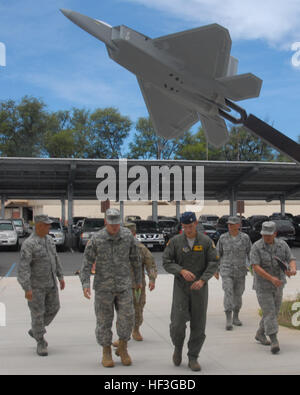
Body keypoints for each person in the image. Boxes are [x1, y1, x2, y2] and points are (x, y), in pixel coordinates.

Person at [80, 209, 142, 368]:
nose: (114, 227)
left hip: (124, 285)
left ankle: (123, 347)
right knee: (104, 321)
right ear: (106, 222)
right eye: (111, 224)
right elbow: (86, 262)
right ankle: (106, 351)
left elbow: (136, 259)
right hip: (103, 287)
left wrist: (139, 281)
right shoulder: (97, 238)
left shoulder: (127, 236)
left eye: (117, 224)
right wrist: (85, 283)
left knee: (127, 318)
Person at [163, 211, 219, 372]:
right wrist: (180, 271)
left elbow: (214, 262)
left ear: (196, 224)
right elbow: (166, 261)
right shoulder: (175, 242)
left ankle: (193, 357)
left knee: (198, 324)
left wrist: (203, 280)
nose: (188, 229)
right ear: (182, 226)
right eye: (185, 226)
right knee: (177, 323)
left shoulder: (206, 241)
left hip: (199, 289)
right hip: (181, 288)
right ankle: (178, 347)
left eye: (191, 226)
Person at [17, 214, 65, 357]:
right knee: (37, 314)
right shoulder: (29, 244)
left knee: (55, 308)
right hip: (36, 286)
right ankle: (41, 341)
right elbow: (23, 268)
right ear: (39, 226)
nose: (49, 227)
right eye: (47, 225)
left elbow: (55, 258)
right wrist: (27, 288)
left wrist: (61, 276)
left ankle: (36, 330)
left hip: (51, 283)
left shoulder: (49, 240)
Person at [250, 221, 297, 354]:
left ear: (275, 233)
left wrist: (292, 269)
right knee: (270, 311)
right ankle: (274, 339)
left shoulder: (282, 245)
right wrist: (271, 278)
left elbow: (291, 258)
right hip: (263, 285)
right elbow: (255, 267)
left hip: (278, 285)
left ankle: (260, 333)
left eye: (269, 235)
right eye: (264, 235)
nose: (266, 237)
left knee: (273, 312)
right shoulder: (256, 246)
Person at [113, 221, 157, 345]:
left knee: (138, 309)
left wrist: (152, 279)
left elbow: (151, 264)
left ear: (134, 233)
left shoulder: (141, 248)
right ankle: (122, 337)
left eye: (130, 233)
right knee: (122, 311)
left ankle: (136, 329)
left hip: (137, 286)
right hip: (121, 286)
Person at [216, 216, 252, 330]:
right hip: (226, 270)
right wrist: (215, 270)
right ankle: (228, 318)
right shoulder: (222, 238)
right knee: (228, 292)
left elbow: (250, 254)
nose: (229, 226)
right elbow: (217, 254)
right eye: (228, 224)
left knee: (238, 295)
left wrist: (253, 267)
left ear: (238, 225)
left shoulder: (245, 238)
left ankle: (236, 316)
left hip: (241, 271)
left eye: (232, 224)